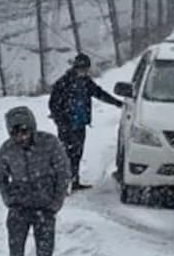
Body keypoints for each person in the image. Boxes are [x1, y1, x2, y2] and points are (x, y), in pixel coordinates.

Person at [0, 106, 70, 256]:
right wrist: (10, 200)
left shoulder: (49, 144)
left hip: (45, 209)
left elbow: (63, 172)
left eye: (24, 131)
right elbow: (0, 178)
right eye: (15, 133)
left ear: (32, 128)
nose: (20, 137)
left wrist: (56, 202)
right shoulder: (7, 150)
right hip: (19, 210)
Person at [48, 54, 123, 191]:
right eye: (81, 68)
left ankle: (74, 180)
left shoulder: (86, 82)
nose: (83, 71)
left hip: (80, 124)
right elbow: (53, 104)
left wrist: (117, 103)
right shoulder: (63, 83)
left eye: (85, 69)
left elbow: (99, 93)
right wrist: (60, 120)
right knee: (65, 155)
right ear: (75, 67)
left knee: (77, 154)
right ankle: (62, 184)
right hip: (67, 125)